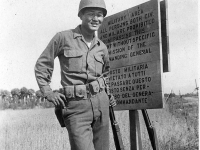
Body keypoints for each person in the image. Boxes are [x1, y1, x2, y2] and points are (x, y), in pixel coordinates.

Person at [34, 0, 116, 150]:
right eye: (90, 14)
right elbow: (42, 64)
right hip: (76, 107)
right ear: (81, 15)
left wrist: (108, 94)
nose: (95, 18)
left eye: (99, 15)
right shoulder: (63, 38)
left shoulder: (102, 47)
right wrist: (48, 92)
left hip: (101, 105)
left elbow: (106, 74)